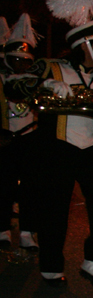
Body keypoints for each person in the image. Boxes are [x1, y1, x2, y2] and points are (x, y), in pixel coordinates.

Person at [27, 0, 93, 290]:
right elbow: (19, 87)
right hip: (57, 147)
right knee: (54, 208)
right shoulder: (52, 67)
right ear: (84, 45)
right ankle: (51, 265)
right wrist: (46, 86)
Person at [0, 14, 40, 252]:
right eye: (15, 59)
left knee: (30, 188)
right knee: (4, 186)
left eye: (24, 60)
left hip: (30, 139)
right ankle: (2, 229)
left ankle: (27, 232)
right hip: (5, 140)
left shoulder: (35, 81)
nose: (20, 64)